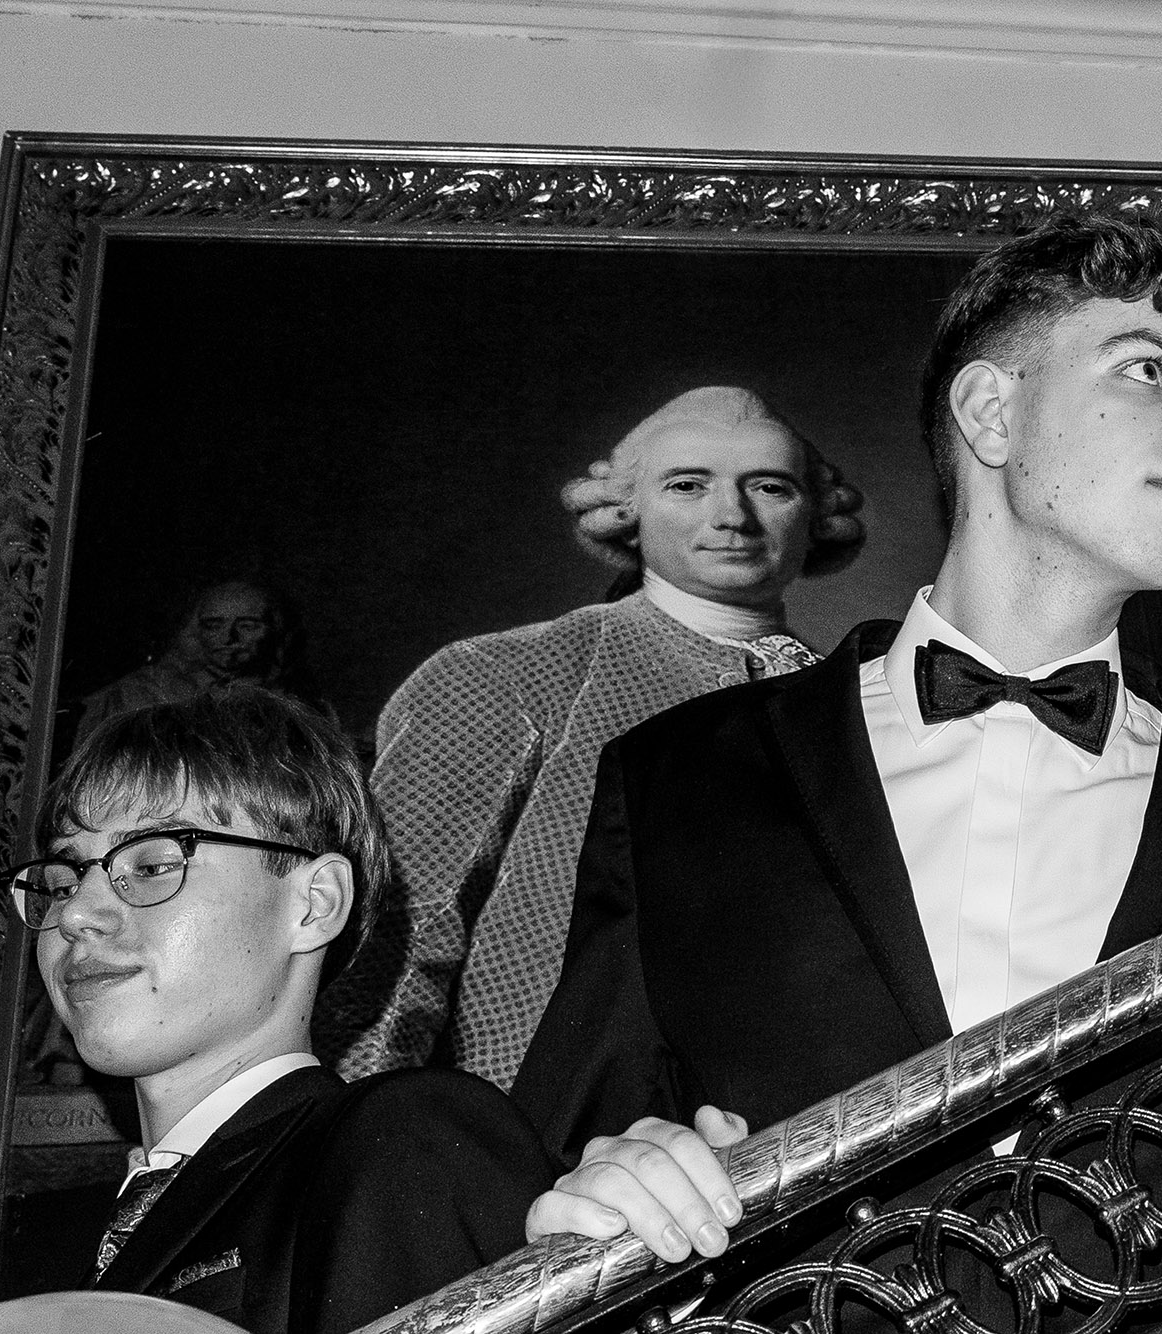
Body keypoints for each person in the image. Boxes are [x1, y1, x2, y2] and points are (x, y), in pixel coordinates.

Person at [514, 211, 1162, 1271]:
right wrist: (603, 1180)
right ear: (990, 413)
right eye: (1147, 370)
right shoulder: (676, 773)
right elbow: (569, 1148)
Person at [315, 387, 866, 1091]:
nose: (732, 516)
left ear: (815, 517)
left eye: (769, 487)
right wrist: (372, 1135)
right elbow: (397, 945)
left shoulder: (857, 700)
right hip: (538, 1127)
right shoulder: (505, 674)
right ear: (628, 511)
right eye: (687, 485)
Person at [9, 690, 555, 1333]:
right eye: (64, 879)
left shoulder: (398, 1143)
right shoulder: (47, 1250)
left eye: (152, 864)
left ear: (314, 904)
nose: (75, 914)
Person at [74, 580, 319, 742]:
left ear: (275, 630)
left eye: (247, 625)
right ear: (195, 630)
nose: (228, 637)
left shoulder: (300, 701)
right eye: (213, 625)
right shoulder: (139, 693)